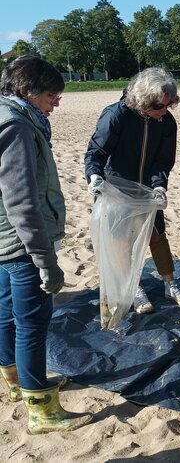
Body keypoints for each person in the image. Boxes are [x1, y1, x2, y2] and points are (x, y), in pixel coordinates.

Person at [0, 55, 92, 433]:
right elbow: (21, 199)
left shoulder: (8, 117)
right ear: (28, 91)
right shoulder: (17, 127)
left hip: (4, 240)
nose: (57, 101)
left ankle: (15, 382)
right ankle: (41, 408)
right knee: (32, 324)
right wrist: (45, 260)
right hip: (21, 244)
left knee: (6, 314)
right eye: (53, 94)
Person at [85, 67, 180, 314]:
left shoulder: (166, 121)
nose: (163, 112)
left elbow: (163, 160)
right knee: (121, 239)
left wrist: (158, 185)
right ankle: (134, 288)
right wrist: (94, 175)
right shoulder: (116, 115)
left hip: (147, 189)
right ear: (143, 100)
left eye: (168, 106)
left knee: (157, 234)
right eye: (158, 106)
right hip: (117, 188)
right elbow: (96, 152)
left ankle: (170, 284)